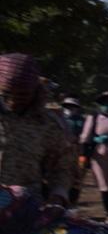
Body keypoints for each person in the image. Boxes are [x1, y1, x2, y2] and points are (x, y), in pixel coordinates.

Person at [0, 55, 80, 203]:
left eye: (22, 95)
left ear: (35, 91)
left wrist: (58, 196)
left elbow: (62, 167)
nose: (13, 101)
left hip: (24, 207)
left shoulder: (47, 124)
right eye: (7, 94)